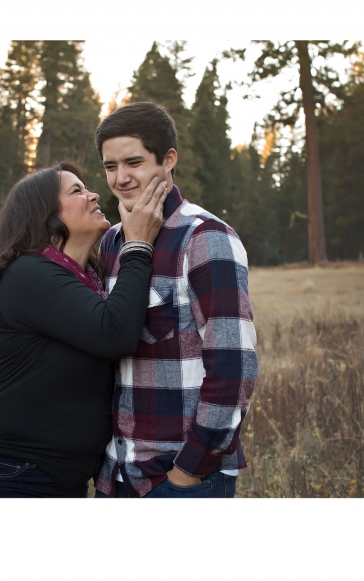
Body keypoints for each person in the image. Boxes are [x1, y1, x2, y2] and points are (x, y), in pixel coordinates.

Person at [0, 161, 169, 497]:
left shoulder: (89, 283)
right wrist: (139, 244)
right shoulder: (29, 273)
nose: (94, 194)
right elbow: (115, 333)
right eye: (77, 190)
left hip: (53, 476)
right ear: (47, 215)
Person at [93, 102, 259, 498]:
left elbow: (234, 366)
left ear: (169, 159)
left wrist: (189, 471)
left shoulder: (205, 237)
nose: (121, 178)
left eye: (134, 162)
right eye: (110, 166)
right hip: (116, 473)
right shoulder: (111, 242)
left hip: (177, 475)